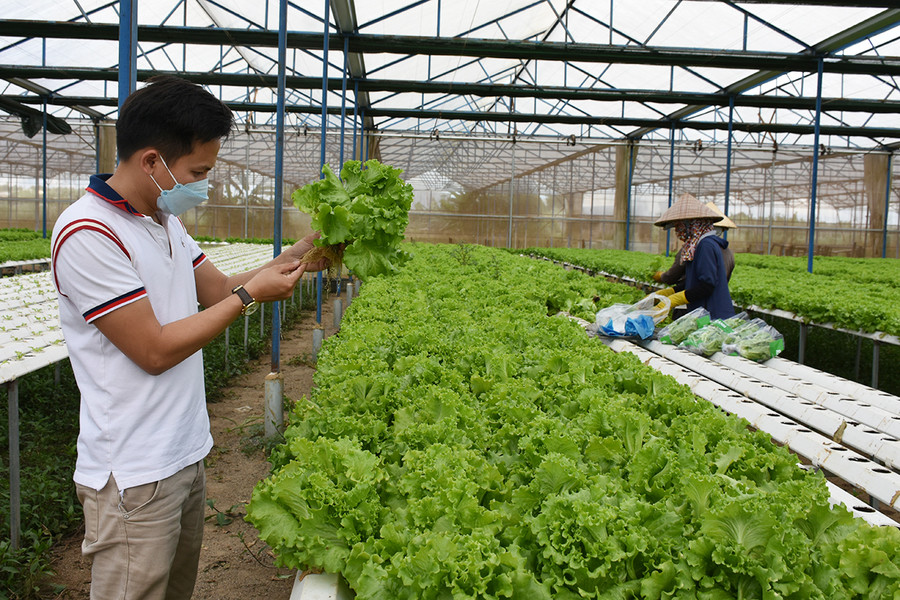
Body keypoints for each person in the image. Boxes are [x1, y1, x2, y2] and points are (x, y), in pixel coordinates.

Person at [51, 75, 327, 600]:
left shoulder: (163, 219)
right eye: (198, 171)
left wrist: (299, 253)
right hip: (134, 473)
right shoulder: (89, 233)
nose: (205, 184)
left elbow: (218, 288)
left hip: (183, 453)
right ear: (153, 162)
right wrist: (250, 300)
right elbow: (153, 350)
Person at [651, 193, 735, 321]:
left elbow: (707, 285)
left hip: (713, 315)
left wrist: (675, 299)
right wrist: (671, 292)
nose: (677, 231)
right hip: (704, 312)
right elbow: (694, 281)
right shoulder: (698, 245)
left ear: (692, 225)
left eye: (679, 226)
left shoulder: (706, 245)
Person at [652, 197, 736, 286]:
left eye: (679, 226)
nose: (678, 231)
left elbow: (705, 284)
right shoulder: (726, 250)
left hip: (700, 298)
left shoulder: (699, 247)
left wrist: (664, 277)